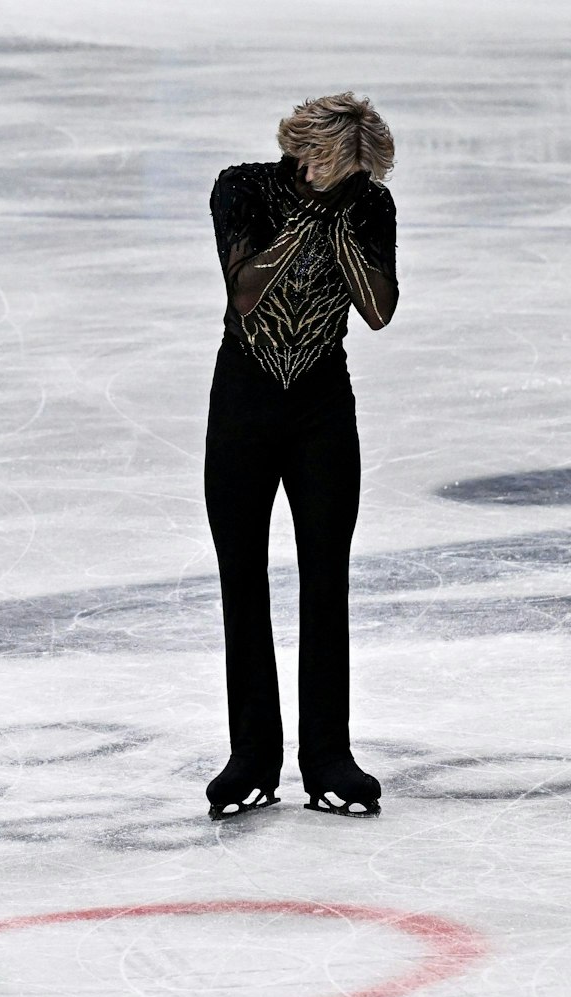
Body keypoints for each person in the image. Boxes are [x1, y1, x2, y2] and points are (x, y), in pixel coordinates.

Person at [203, 92, 399, 821]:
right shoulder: (242, 188)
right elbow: (245, 293)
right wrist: (307, 222)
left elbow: (378, 311)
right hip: (243, 404)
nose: (322, 176)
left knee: (325, 577)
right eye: (317, 161)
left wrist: (340, 223)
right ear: (299, 148)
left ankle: (328, 758)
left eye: (341, 169)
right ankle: (252, 757)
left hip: (322, 408)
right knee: (242, 576)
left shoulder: (370, 206)